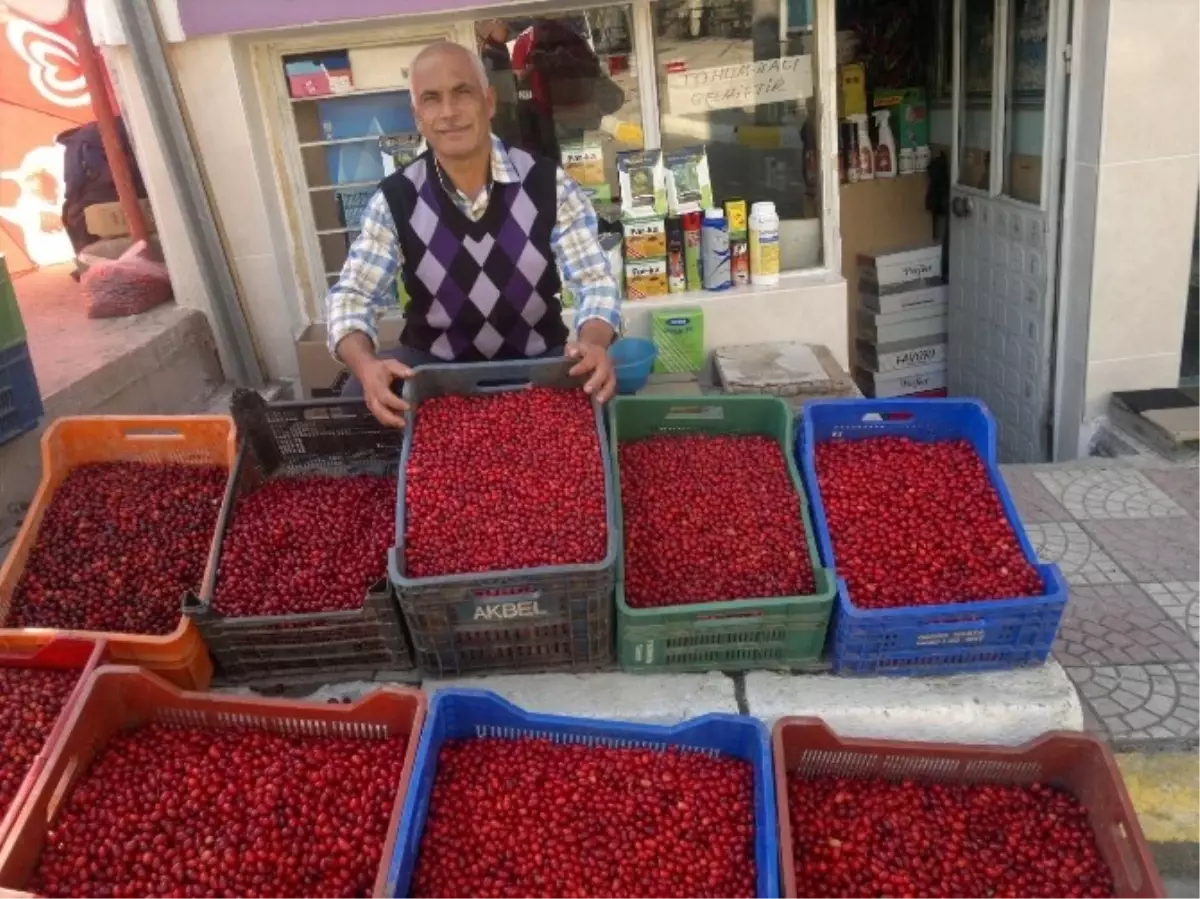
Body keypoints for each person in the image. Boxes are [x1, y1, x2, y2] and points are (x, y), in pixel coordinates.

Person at [325, 41, 621, 427]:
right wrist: (365, 365)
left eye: (462, 92)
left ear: (490, 102)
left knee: (596, 398)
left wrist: (593, 343)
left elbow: (595, 281)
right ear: (418, 117)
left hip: (538, 363)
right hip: (434, 372)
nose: (448, 112)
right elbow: (351, 296)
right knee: (356, 395)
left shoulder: (549, 185)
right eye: (431, 99)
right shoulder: (396, 199)